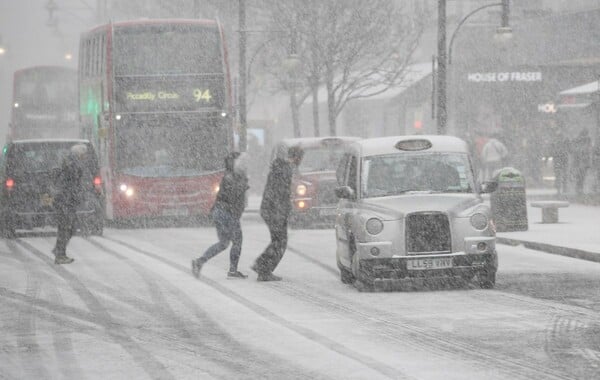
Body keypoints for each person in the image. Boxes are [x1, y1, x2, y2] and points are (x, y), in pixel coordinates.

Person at [192, 152, 249, 279]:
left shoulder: (227, 176)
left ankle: (199, 262)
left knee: (223, 243)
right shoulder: (236, 178)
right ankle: (233, 271)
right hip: (229, 213)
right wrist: (243, 186)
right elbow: (235, 198)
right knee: (237, 241)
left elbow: (222, 196)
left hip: (219, 211)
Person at [252, 145, 304, 282]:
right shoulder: (285, 170)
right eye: (301, 158)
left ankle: (261, 266)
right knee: (280, 242)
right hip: (275, 211)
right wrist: (281, 213)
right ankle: (263, 269)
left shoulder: (281, 167)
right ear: (297, 157)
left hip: (270, 209)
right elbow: (280, 194)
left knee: (277, 241)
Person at [52, 144, 88, 264]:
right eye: (83, 154)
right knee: (66, 227)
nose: (85, 157)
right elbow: (71, 184)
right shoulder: (72, 165)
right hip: (65, 201)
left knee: (69, 227)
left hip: (66, 201)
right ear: (78, 154)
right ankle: (60, 254)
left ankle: (59, 250)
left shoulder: (69, 163)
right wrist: (72, 197)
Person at [571, 128, 591, 195]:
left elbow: (576, 151)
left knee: (580, 176)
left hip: (581, 162)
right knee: (581, 176)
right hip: (582, 161)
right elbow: (587, 151)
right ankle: (579, 189)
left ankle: (579, 189)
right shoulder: (585, 140)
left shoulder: (584, 140)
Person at [551, 131, 569, 195]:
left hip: (558, 161)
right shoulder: (565, 143)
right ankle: (564, 188)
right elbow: (569, 150)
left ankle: (559, 189)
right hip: (562, 160)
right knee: (563, 175)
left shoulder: (556, 143)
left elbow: (553, 152)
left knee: (559, 175)